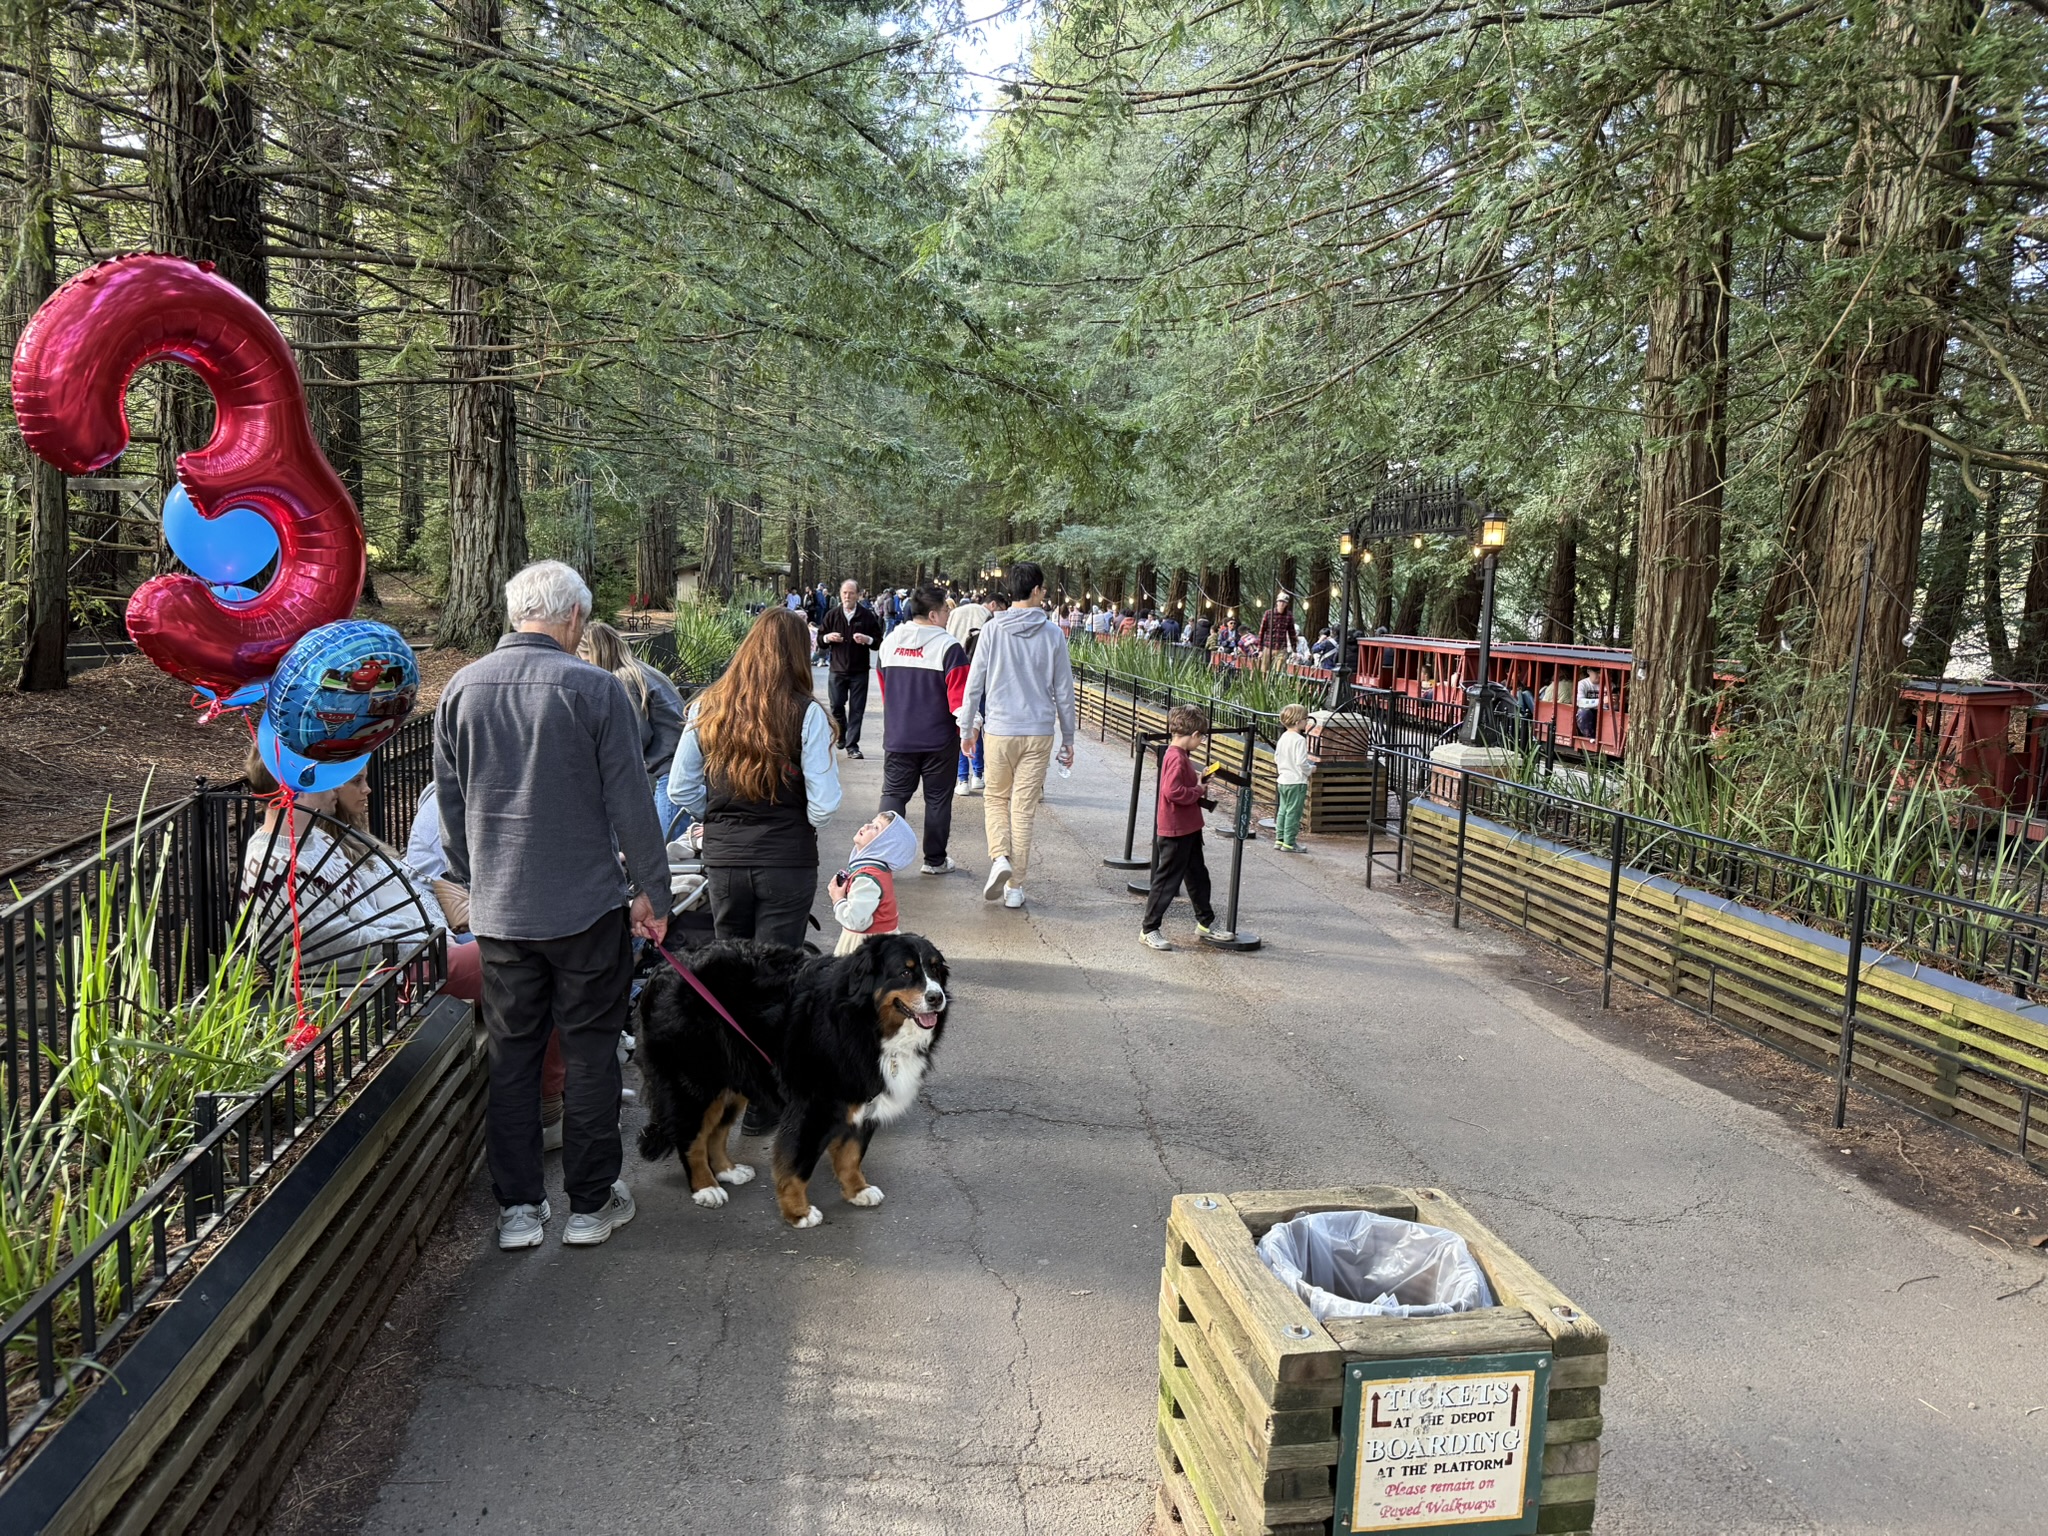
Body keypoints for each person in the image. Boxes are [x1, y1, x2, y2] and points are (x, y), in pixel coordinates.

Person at [433, 560, 670, 1251]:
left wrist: (469, 876)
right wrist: (651, 891)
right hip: (585, 906)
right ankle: (590, 1204)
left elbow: (450, 803)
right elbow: (632, 802)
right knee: (592, 1054)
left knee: (513, 1056)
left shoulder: (460, 689)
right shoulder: (595, 689)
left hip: (502, 911)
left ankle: (518, 1209)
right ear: (571, 617)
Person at [668, 606, 842, 947]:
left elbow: (680, 788)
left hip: (725, 860)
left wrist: (717, 816)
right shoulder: (806, 713)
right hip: (786, 859)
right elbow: (823, 806)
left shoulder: (707, 707)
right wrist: (792, 825)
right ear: (797, 655)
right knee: (777, 969)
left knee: (731, 965)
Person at [956, 561, 1077, 911]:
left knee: (996, 798)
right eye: (1044, 588)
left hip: (1000, 730)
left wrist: (967, 728)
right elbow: (1064, 691)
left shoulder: (992, 629)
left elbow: (974, 683)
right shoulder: (1053, 634)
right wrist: (1068, 738)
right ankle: (1015, 888)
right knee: (1023, 810)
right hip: (1038, 732)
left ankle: (999, 858)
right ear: (1036, 590)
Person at [877, 582, 969, 873]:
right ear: (933, 615)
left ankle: (880, 860)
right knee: (938, 800)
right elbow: (959, 700)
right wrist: (969, 731)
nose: (948, 615)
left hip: (899, 735)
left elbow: (885, 690)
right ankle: (934, 861)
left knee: (893, 796)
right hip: (939, 739)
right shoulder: (949, 647)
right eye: (945, 610)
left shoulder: (890, 642)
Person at [577, 620, 688, 839]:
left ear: (595, 654)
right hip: (679, 765)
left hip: (670, 772)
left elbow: (633, 736)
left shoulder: (624, 680)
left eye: (585, 659)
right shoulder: (642, 670)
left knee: (670, 849)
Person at [1140, 705, 1229, 949]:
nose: (1201, 742)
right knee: (1167, 881)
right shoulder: (1176, 757)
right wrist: (1198, 790)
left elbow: (1180, 787)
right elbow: (1172, 791)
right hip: (1176, 829)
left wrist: (1199, 782)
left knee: (1198, 876)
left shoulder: (1180, 755)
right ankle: (1149, 928)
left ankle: (1205, 923)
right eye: (1201, 738)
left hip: (1187, 827)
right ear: (1195, 734)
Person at [828, 810, 919, 954]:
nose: (867, 825)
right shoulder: (876, 870)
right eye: (872, 822)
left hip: (867, 948)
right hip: (881, 944)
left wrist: (838, 899)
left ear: (884, 844)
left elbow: (856, 921)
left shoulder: (866, 878)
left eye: (876, 828)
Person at [819, 578, 883, 758]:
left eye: (851, 593)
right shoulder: (832, 615)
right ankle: (841, 734)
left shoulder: (866, 616)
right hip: (837, 669)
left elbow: (878, 642)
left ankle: (852, 746)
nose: (847, 596)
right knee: (836, 706)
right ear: (840, 594)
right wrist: (828, 638)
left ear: (858, 595)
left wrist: (867, 639)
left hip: (859, 670)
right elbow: (820, 640)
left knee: (857, 709)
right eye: (845, 593)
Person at [948, 590, 993, 794]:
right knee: (978, 726)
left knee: (962, 727)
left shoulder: (955, 616)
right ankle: (978, 774)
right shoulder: (987, 619)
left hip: (959, 675)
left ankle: (962, 779)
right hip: (981, 678)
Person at [1274, 703, 1312, 853]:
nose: (1307, 721)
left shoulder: (1284, 737)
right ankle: (1290, 843)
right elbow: (1301, 762)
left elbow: (1277, 757)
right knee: (1293, 813)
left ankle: (1279, 839)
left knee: (1283, 810)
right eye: (1305, 719)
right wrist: (1310, 770)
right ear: (1298, 721)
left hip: (1283, 779)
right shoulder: (1299, 740)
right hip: (1296, 781)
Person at [1257, 594, 1297, 668]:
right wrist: (1260, 649)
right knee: (1264, 669)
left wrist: (1294, 650)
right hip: (1268, 646)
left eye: (1284, 602)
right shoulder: (1268, 614)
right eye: (1280, 601)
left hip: (1281, 647)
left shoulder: (1289, 616)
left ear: (1286, 604)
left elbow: (1292, 633)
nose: (1282, 604)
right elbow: (1261, 632)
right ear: (1277, 602)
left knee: (1278, 670)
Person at [1576, 673, 1601, 741]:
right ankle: (1589, 737)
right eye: (1597, 672)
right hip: (1589, 714)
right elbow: (1580, 702)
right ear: (1589, 671)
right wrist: (1600, 701)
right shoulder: (1582, 684)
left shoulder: (1609, 684)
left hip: (1602, 713)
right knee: (1584, 712)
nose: (1600, 674)